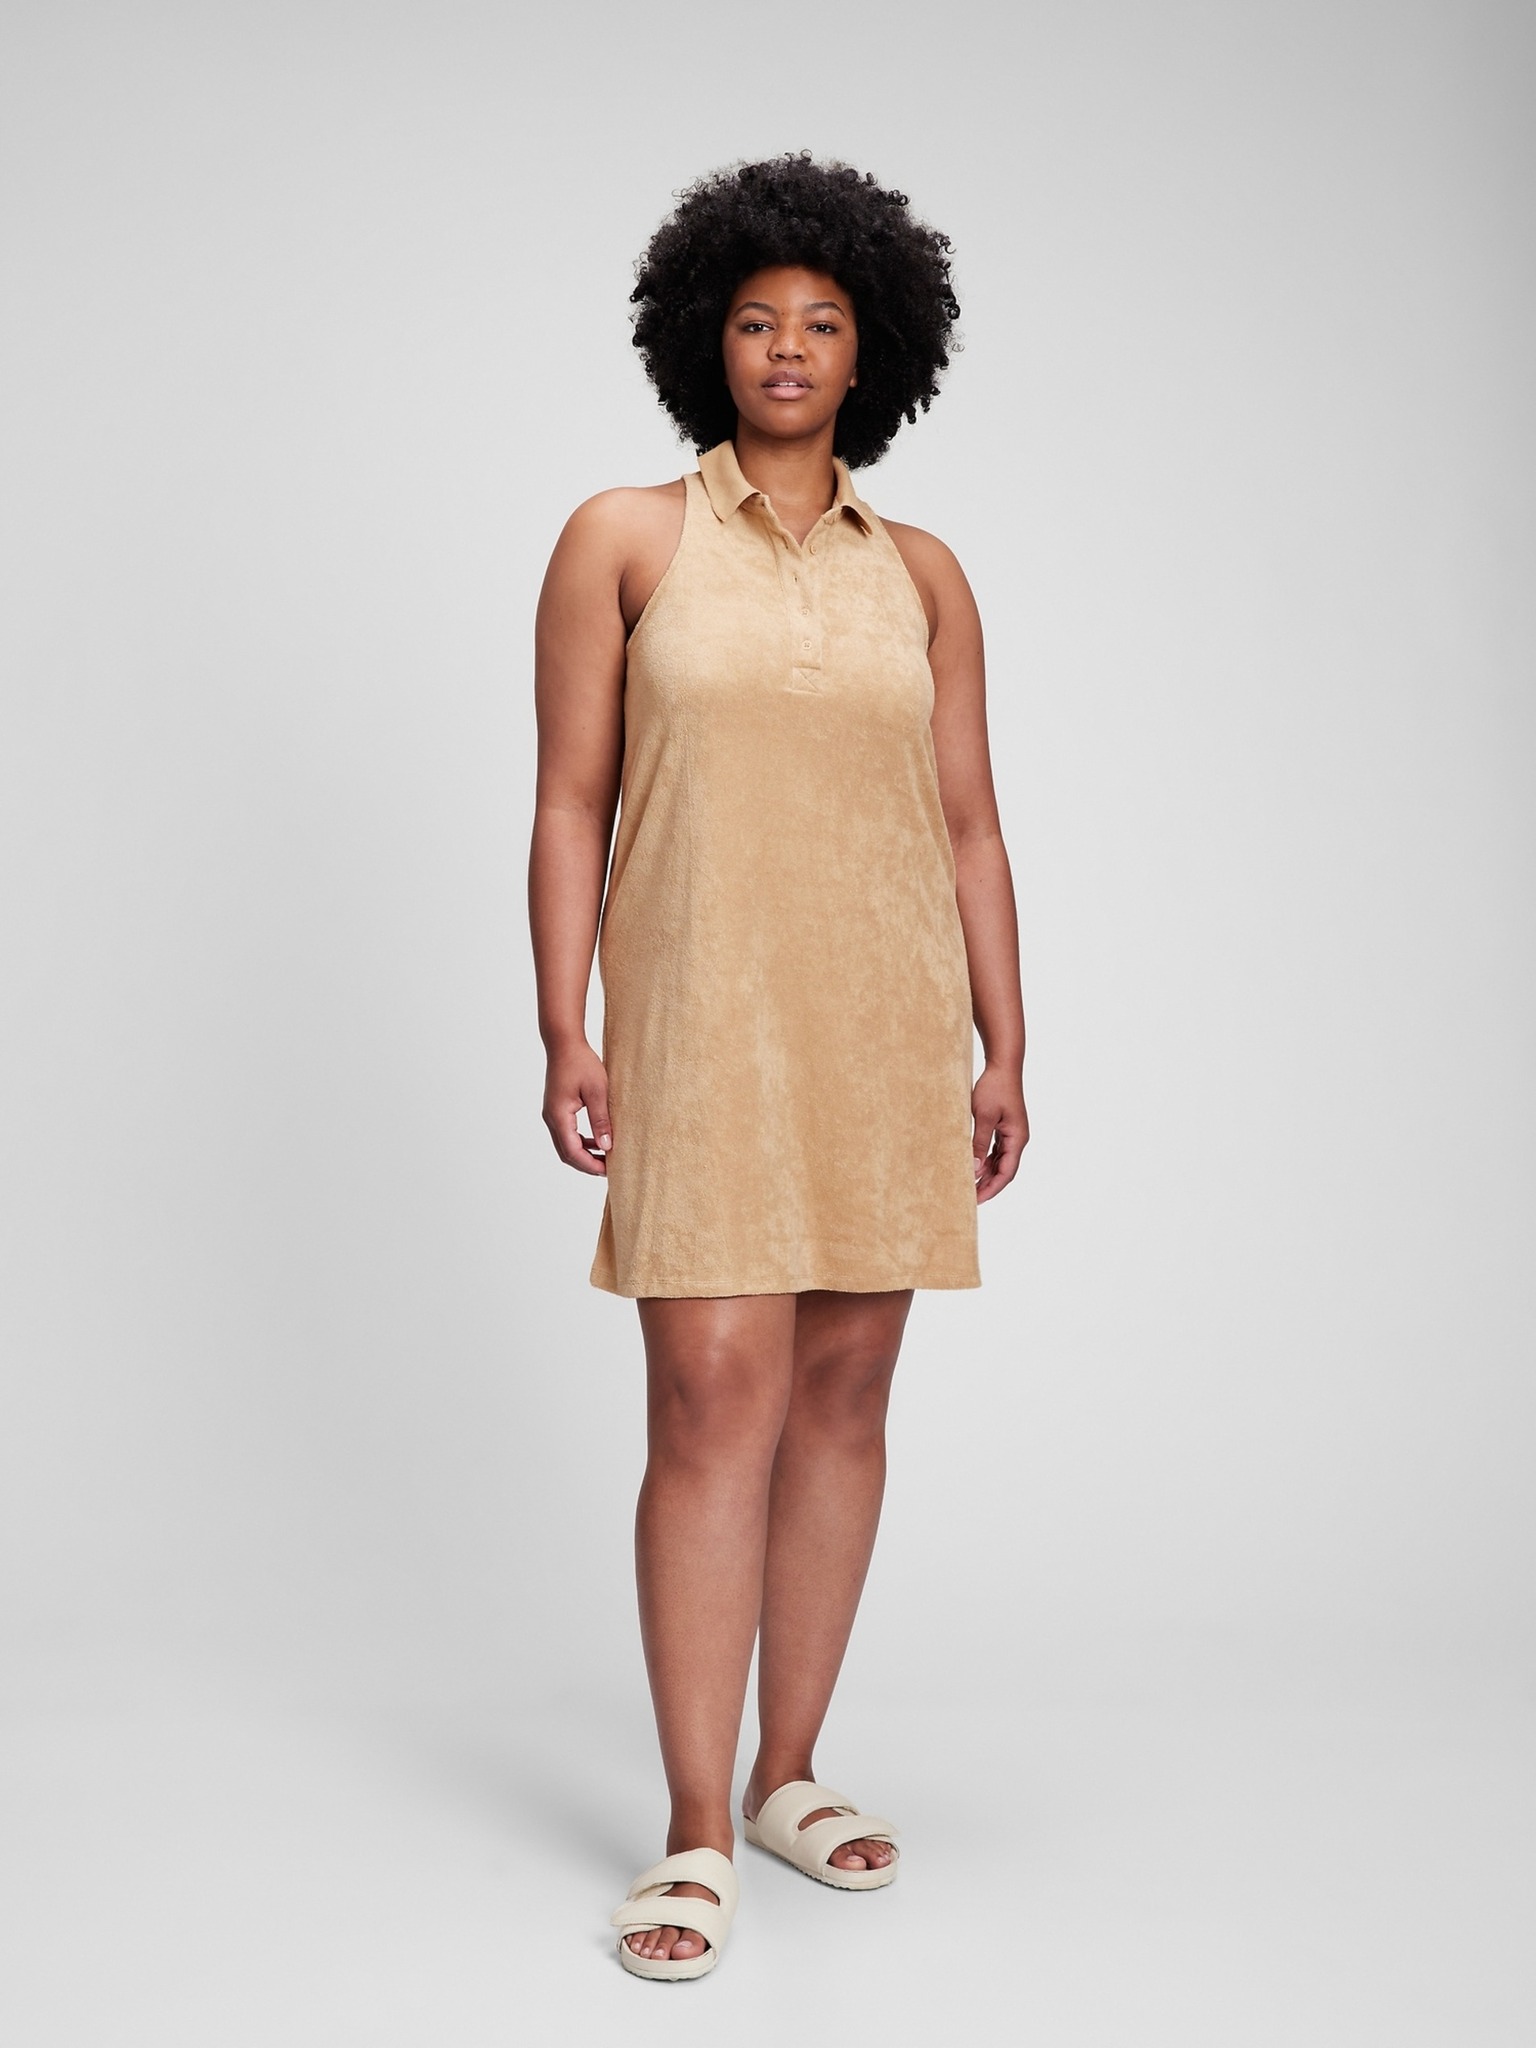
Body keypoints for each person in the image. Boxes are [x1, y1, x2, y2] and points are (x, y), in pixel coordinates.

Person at [528, 152, 1028, 1980]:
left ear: (873, 348)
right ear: (705, 340)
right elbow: (569, 802)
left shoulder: (926, 575)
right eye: (756, 320)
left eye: (823, 321)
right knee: (708, 1397)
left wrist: (1006, 1042)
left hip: (884, 1022)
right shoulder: (626, 540)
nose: (790, 347)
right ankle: (690, 1824)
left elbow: (968, 825)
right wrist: (566, 1023)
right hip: (700, 1019)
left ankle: (788, 1771)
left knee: (843, 1393)